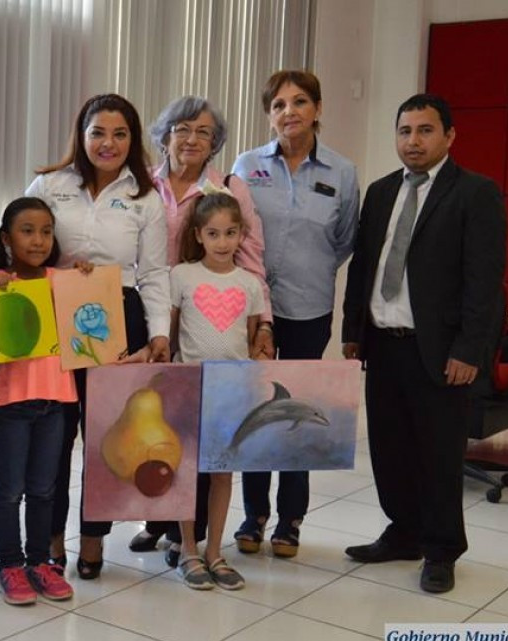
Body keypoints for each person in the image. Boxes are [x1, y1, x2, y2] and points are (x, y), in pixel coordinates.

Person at [341, 94, 506, 594]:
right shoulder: (381, 191)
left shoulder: (475, 193)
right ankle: (403, 532)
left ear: (449, 136)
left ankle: (440, 549)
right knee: (390, 449)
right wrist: (352, 330)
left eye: (425, 130)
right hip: (383, 344)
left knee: (438, 454)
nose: (413, 141)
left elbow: (485, 282)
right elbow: (364, 266)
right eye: (405, 131)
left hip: (439, 351)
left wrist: (468, 351)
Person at [26, 93, 171, 580]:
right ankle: (49, 543)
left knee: (105, 439)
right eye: (98, 133)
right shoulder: (49, 184)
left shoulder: (146, 197)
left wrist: (159, 335)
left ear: (133, 140)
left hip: (119, 319)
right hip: (54, 316)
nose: (108, 143)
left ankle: (92, 543)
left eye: (120, 134)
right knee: (53, 438)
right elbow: (22, 243)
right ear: (81, 135)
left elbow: (153, 274)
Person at [130, 95, 274, 565]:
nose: (192, 139)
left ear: (216, 143)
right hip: (154, 309)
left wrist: (264, 324)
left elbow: (251, 261)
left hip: (214, 318)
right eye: (183, 128)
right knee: (158, 424)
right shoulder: (142, 184)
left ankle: (185, 538)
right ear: (165, 134)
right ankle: (158, 522)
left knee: (199, 441)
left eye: (204, 132)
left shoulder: (229, 189)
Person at [230, 70, 360, 559]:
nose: (290, 111)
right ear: (269, 114)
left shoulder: (342, 173)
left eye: (300, 101)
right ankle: (253, 513)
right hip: (256, 309)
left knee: (298, 414)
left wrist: (314, 269)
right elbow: (237, 232)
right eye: (279, 104)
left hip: (309, 307)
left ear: (318, 109)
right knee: (258, 408)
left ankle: (291, 517)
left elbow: (345, 239)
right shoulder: (246, 165)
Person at [0, 197, 87, 606]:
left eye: (46, 231)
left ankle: (40, 561)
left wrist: (84, 281)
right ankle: (10, 565)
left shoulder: (62, 280)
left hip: (56, 400)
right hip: (10, 403)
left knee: (45, 489)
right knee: (9, 490)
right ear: (7, 239)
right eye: (28, 231)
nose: (39, 239)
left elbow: (88, 325)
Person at [170, 191, 264, 591]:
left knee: (223, 473)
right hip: (189, 386)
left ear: (242, 234)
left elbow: (249, 338)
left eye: (230, 232)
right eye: (213, 233)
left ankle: (215, 551)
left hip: (231, 389)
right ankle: (189, 548)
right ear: (198, 235)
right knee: (187, 470)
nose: (223, 241)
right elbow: (171, 335)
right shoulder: (183, 276)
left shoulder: (250, 283)